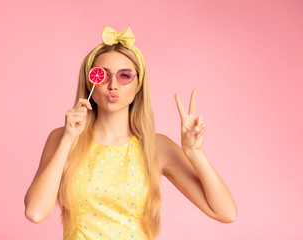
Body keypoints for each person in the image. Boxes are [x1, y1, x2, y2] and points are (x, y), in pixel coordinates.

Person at [24, 26, 238, 240]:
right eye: (103, 75)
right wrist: (68, 140)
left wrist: (195, 152)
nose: (113, 85)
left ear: (138, 85)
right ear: (90, 81)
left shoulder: (157, 147)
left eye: (125, 76)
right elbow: (35, 212)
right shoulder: (61, 138)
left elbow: (226, 212)